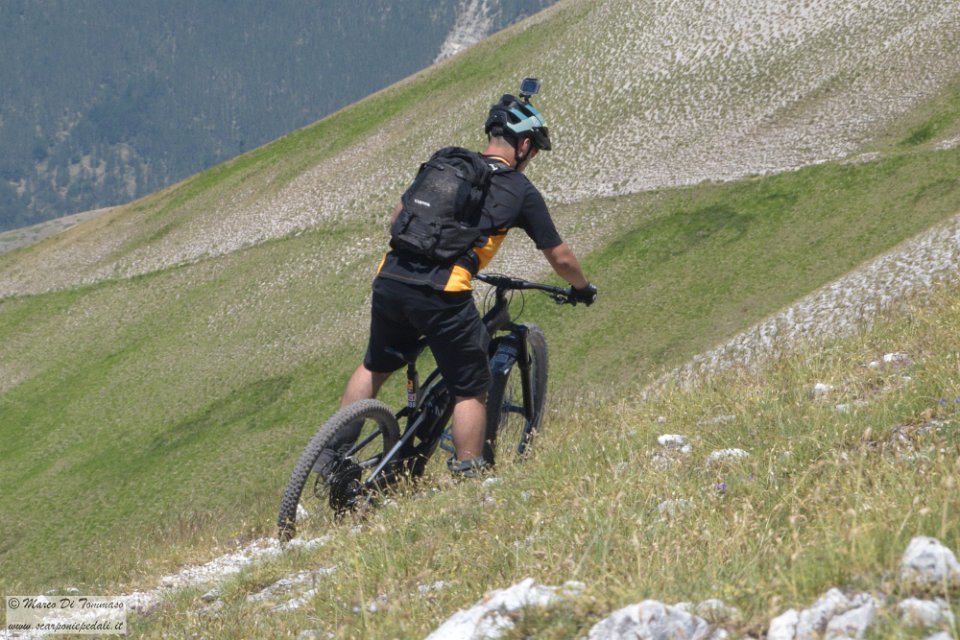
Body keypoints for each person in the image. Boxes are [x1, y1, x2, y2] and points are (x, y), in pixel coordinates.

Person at [329, 87, 597, 478]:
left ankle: (331, 459)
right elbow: (561, 257)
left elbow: (397, 218)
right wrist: (582, 288)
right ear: (524, 145)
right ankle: (470, 475)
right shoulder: (520, 190)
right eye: (534, 152)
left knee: (375, 366)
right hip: (442, 291)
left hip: (391, 274)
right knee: (470, 387)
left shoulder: (447, 165)